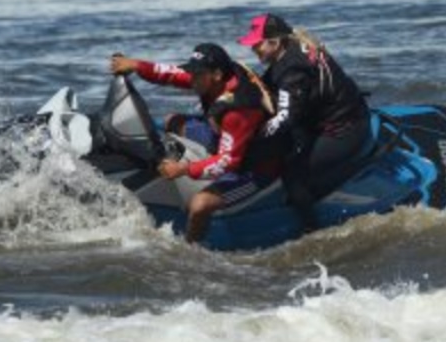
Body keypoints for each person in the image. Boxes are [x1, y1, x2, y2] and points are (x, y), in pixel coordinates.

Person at [110, 43, 275, 243]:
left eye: (197, 75)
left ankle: (190, 252)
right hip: (227, 137)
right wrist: (136, 65)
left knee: (199, 205)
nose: (191, 79)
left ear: (216, 74)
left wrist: (184, 169)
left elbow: (228, 161)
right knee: (173, 121)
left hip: (255, 167)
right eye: (193, 72)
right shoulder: (215, 78)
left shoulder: (238, 110)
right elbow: (171, 74)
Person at [238, 13, 370, 233]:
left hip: (345, 129)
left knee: (292, 172)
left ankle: (311, 229)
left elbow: (286, 117)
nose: (253, 49)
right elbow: (269, 89)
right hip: (338, 114)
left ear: (275, 41)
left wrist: (253, 139)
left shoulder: (292, 68)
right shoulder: (289, 52)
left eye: (257, 44)